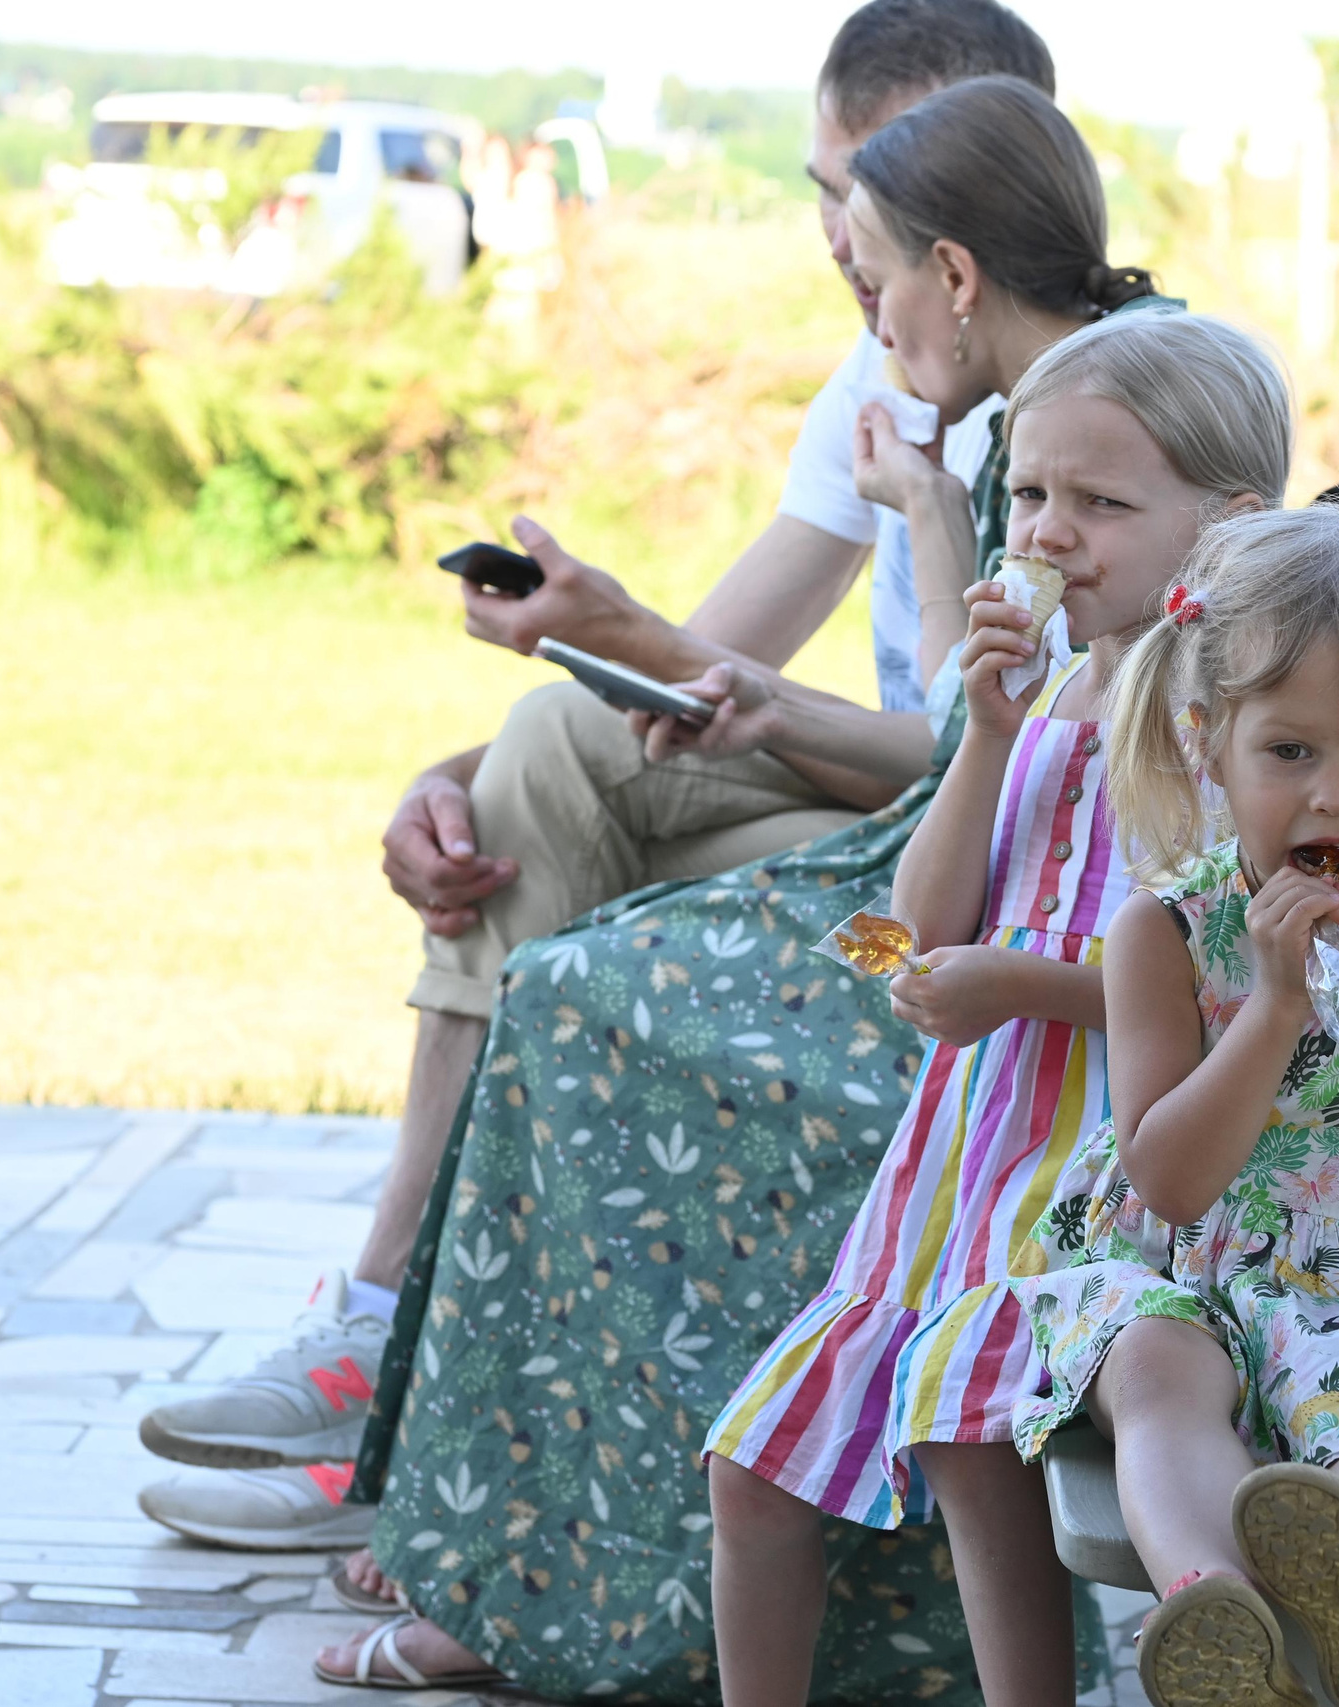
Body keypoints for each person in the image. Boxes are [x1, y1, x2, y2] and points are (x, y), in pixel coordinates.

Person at [134, 0, 1055, 1554]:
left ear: (978, 218)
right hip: (899, 840)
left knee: (578, 961)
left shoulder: (1081, 409)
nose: (842, 240)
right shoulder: (885, 370)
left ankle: (409, 1400)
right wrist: (457, 775)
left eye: (873, 205)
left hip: (955, 924)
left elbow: (1005, 760)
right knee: (542, 770)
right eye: (828, 188)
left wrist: (629, 641)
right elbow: (699, 669)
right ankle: (384, 1344)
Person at [309, 72, 1175, 1696]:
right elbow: (966, 754)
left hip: (1022, 934)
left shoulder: (1097, 427)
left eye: (871, 257)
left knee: (583, 1009)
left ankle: (541, 1579)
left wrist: (925, 516)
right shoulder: (1017, 405)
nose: (859, 293)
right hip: (961, 877)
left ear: (958, 274)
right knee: (571, 849)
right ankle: (494, 1540)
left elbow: (1005, 781)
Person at [703, 313, 1292, 1707]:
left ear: (1230, 526)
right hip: (966, 1162)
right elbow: (930, 909)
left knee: (977, 1428)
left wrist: (1017, 984)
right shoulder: (1055, 686)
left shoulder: (1232, 723)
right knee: (752, 1472)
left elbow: (1227, 993)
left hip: (1107, 1162)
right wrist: (983, 732)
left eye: (1102, 501)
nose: (1052, 530)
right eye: (1030, 494)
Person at [982, 503, 1339, 1707]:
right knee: (1153, 1374)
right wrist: (1275, 1007)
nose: (1334, 800)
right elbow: (1170, 1180)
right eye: (1290, 753)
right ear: (1209, 746)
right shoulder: (1160, 934)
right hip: (1181, 1260)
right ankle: (1215, 1616)